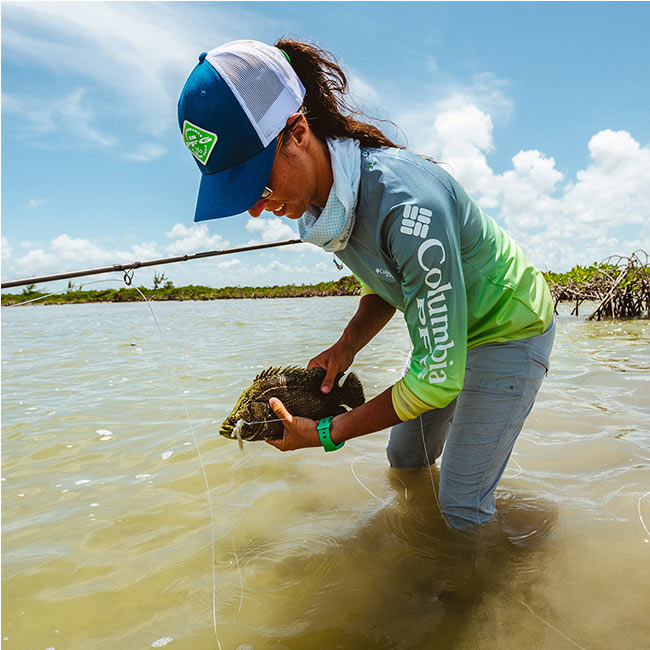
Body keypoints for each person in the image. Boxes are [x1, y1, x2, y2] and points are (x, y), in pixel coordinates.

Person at [178, 39, 555, 529]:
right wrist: (346, 345)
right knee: (404, 460)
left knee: (462, 507)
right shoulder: (328, 210)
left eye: (258, 185)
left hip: (509, 326)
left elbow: (435, 378)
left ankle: (476, 597)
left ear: (296, 131)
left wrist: (326, 433)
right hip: (450, 328)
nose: (255, 207)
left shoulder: (406, 206)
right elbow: (384, 282)